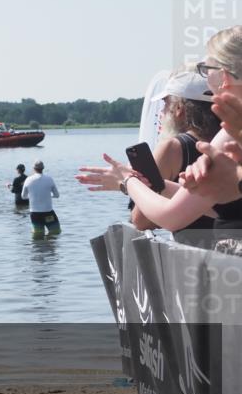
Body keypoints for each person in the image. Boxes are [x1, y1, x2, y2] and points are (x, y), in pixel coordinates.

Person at [78, 26, 242, 241]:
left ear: (223, 77)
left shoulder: (228, 136)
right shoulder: (229, 135)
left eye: (206, 68)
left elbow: (170, 217)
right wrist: (157, 184)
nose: (205, 75)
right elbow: (220, 205)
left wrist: (128, 181)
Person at [128, 69, 219, 245]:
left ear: (179, 109)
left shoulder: (172, 149)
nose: (162, 111)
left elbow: (142, 221)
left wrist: (130, 184)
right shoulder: (232, 142)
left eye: (165, 102)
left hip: (194, 260)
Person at [21, 161, 61, 238]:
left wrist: (33, 196)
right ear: (43, 168)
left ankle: (38, 249)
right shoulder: (49, 179)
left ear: (33, 168)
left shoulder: (28, 179)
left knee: (37, 234)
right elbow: (57, 195)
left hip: (35, 213)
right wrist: (48, 196)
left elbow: (23, 196)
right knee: (55, 232)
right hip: (48, 213)